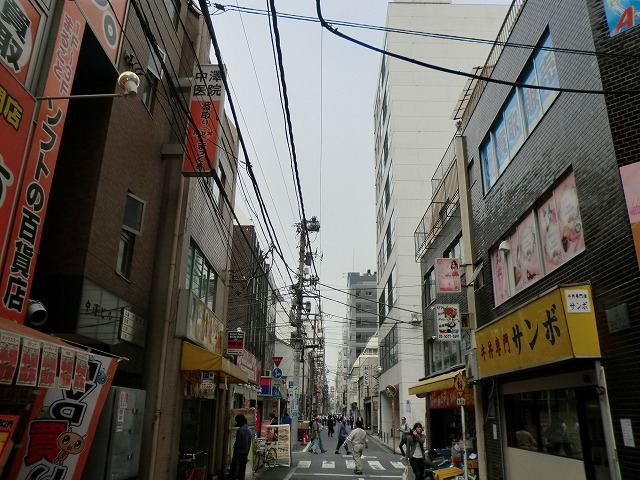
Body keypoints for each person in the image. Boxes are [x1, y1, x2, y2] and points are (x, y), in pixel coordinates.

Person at [228, 414, 252, 480]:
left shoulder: (240, 430)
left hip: (239, 454)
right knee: (242, 472)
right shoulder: (249, 430)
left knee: (233, 472)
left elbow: (238, 444)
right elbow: (249, 444)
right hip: (245, 454)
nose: (237, 423)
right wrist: (246, 454)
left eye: (237, 421)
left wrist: (235, 456)